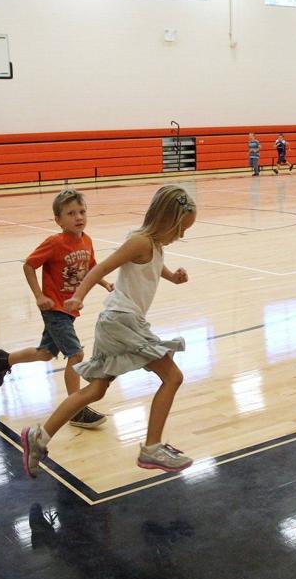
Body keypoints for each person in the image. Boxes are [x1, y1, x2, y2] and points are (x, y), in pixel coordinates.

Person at [21, 185, 196, 477]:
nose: (182, 235)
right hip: (122, 320)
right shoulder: (140, 241)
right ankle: (152, 449)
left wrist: (173, 278)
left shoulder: (153, 245)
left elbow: (154, 267)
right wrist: (79, 295)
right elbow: (100, 268)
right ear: (167, 220)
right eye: (180, 228)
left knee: (96, 389)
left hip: (116, 323)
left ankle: (39, 436)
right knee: (172, 376)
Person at [0, 189, 114, 429]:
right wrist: (39, 295)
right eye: (70, 213)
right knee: (76, 354)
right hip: (54, 309)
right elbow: (29, 265)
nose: (78, 217)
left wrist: (104, 282)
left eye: (81, 212)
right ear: (58, 220)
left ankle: (6, 359)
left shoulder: (86, 239)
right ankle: (76, 409)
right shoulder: (54, 243)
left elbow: (91, 266)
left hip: (68, 310)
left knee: (46, 353)